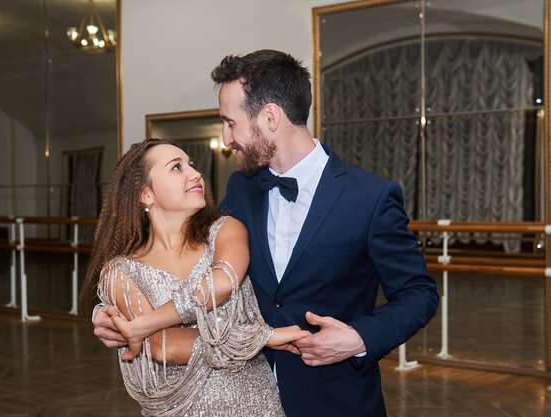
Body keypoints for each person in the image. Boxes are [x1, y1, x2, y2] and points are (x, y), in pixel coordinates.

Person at [93, 50, 439, 417]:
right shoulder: (241, 189)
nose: (227, 139)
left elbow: (419, 294)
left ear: (270, 117)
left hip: (334, 400)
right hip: (237, 394)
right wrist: (111, 310)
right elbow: (187, 259)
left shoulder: (370, 197)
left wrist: (358, 339)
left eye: (231, 122)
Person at [80, 138, 308, 417]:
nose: (195, 173)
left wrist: (143, 324)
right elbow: (163, 347)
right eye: (176, 167)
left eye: (191, 164)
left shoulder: (226, 230)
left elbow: (222, 282)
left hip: (254, 402)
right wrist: (260, 339)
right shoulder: (120, 272)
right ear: (145, 194)